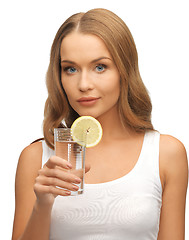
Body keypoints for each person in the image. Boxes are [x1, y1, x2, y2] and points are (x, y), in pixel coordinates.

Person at [12, 8, 188, 240]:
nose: (84, 84)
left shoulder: (165, 154)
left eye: (100, 67)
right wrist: (42, 205)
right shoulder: (36, 158)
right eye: (71, 69)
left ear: (125, 71)